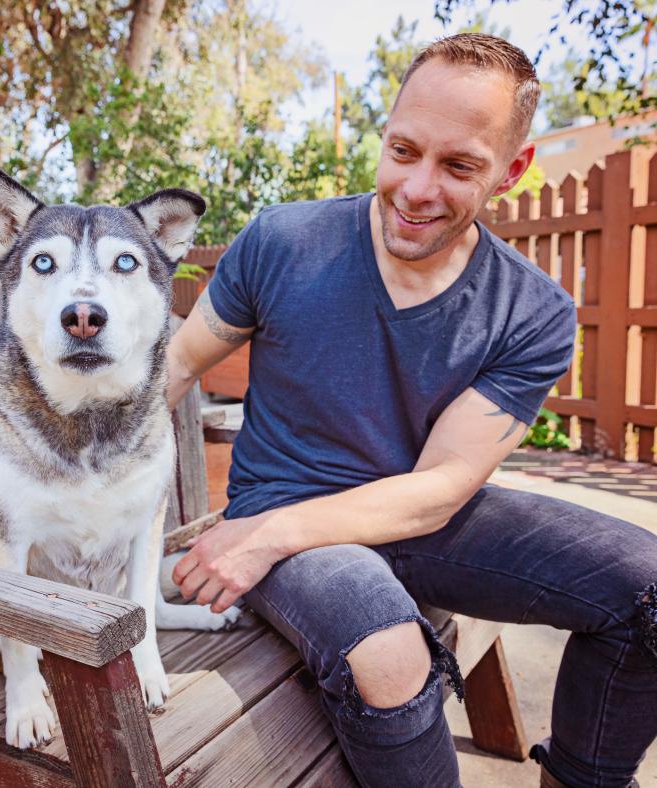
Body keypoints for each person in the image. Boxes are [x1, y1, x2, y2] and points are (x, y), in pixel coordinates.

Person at [166, 33, 657, 788]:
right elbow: (168, 370)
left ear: (512, 170)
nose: (418, 188)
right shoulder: (284, 241)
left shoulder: (531, 312)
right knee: (389, 654)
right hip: (290, 515)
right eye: (403, 150)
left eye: (458, 165)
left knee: (649, 587)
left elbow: (442, 487)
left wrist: (264, 537)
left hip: (401, 519)